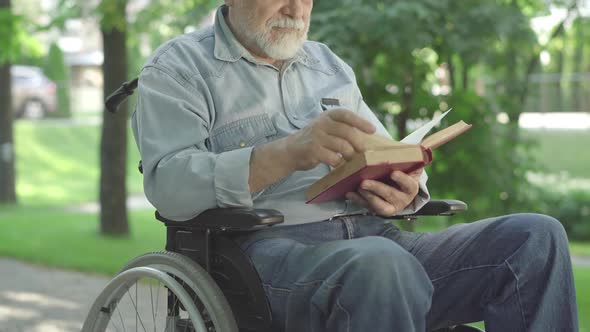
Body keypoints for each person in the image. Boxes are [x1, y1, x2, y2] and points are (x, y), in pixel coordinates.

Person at [131, 0, 578, 331]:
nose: (294, 8)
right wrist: (284, 154)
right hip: (264, 257)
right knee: (381, 265)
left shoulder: (329, 66)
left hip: (375, 238)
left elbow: (381, 150)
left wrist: (405, 189)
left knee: (534, 237)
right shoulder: (179, 69)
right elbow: (169, 185)